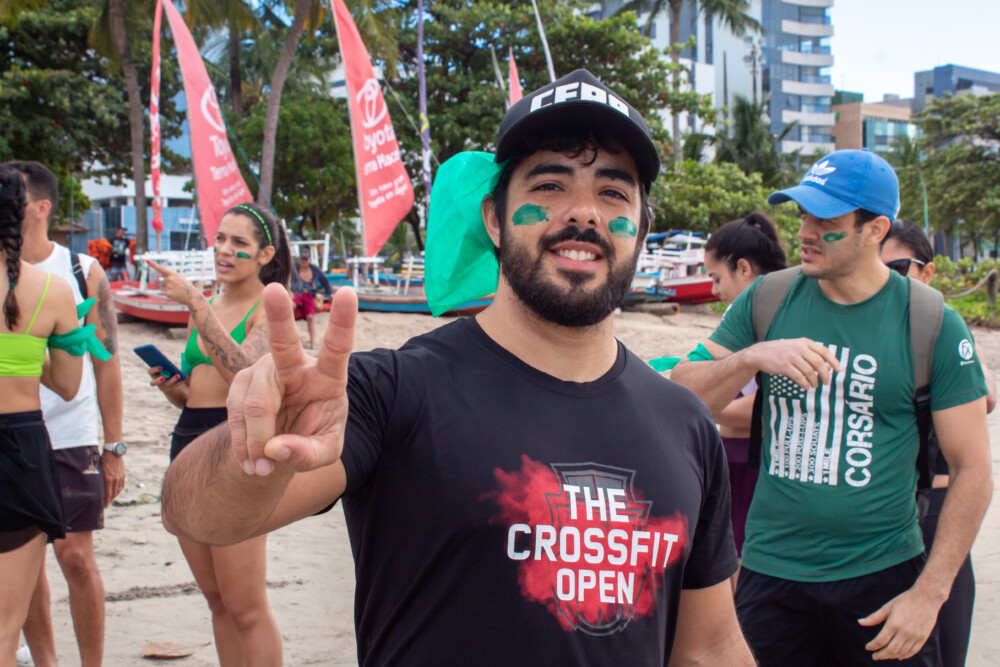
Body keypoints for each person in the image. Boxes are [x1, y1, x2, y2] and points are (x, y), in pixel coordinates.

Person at [160, 69, 753, 666]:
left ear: (641, 229)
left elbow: (710, 648)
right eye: (549, 185)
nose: (583, 213)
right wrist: (255, 448)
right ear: (494, 218)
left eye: (613, 193)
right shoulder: (393, 391)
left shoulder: (684, 425)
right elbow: (193, 512)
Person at [671, 149, 993, 666]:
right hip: (770, 575)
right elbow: (684, 395)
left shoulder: (931, 321)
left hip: (884, 576)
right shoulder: (768, 298)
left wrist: (929, 594)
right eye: (803, 215)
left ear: (875, 230)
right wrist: (751, 358)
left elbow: (973, 469)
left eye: (826, 221)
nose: (805, 232)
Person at [147, 201, 291, 667]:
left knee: (245, 605)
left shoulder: (270, 306)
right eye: (220, 240)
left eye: (239, 243)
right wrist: (173, 386)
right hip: (188, 440)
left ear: (265, 254)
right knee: (217, 600)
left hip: (235, 448)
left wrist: (194, 303)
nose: (225, 250)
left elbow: (245, 373)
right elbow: (199, 392)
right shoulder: (209, 305)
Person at [6, 160, 127, 667]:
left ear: (41, 208)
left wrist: (114, 446)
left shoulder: (81, 271)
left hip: (71, 434)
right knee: (25, 568)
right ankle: (47, 661)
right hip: (21, 436)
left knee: (75, 556)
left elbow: (107, 363)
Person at [881, 218, 996, 667]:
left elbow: (987, 396)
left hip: (936, 512)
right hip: (880, 518)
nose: (884, 279)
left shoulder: (942, 328)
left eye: (897, 268)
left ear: (926, 272)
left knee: (944, 647)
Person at [0, 166, 83, 666]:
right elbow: (69, 386)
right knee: (5, 629)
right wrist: (28, 353)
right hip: (22, 452)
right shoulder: (53, 290)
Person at [702, 212, 786, 559]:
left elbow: (769, 408)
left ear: (744, 268)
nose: (714, 290)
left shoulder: (764, 314)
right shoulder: (775, 309)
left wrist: (706, 407)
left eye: (717, 278)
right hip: (742, 456)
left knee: (738, 564)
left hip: (750, 461)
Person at [289, 246, 332, 350]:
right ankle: (290, 338)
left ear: (309, 260)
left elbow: (324, 281)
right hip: (296, 293)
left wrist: (330, 293)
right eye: (302, 259)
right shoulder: (294, 268)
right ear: (300, 259)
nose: (304, 261)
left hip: (309, 295)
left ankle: (313, 344)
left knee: (310, 317)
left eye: (306, 259)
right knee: (291, 306)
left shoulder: (315, 270)